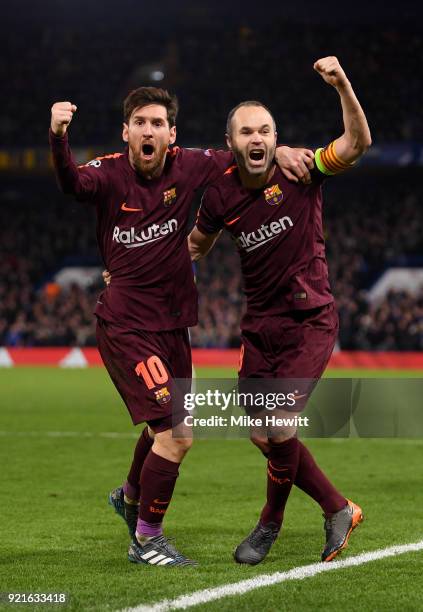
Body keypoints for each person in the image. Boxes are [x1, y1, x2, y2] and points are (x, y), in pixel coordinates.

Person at [49, 86, 313, 567]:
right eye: (139, 123)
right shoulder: (107, 174)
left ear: (172, 135)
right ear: (125, 132)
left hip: (175, 325)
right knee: (177, 434)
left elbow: (244, 154)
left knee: (159, 431)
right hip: (127, 326)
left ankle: (129, 496)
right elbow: (71, 184)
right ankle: (146, 539)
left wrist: (286, 150)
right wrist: (58, 136)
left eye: (157, 124)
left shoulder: (190, 166)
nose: (148, 131)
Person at [188, 56, 372, 564]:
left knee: (280, 424)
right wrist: (141, 267)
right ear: (231, 142)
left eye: (266, 130)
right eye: (247, 131)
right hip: (260, 326)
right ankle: (337, 507)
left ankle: (277, 522)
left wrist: (342, 85)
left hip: (309, 319)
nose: (257, 138)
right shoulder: (220, 194)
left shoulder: (301, 168)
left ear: (275, 137)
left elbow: (357, 145)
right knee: (260, 433)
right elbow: (196, 246)